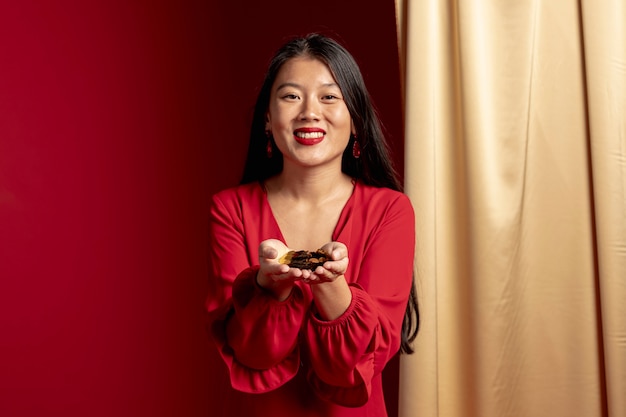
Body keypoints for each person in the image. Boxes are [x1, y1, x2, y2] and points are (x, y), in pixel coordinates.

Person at [205, 33, 419, 417]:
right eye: (290, 96)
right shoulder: (230, 208)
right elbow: (251, 353)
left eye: (329, 96)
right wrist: (270, 286)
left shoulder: (391, 210)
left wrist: (331, 283)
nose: (309, 112)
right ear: (268, 120)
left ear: (356, 120)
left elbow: (353, 365)